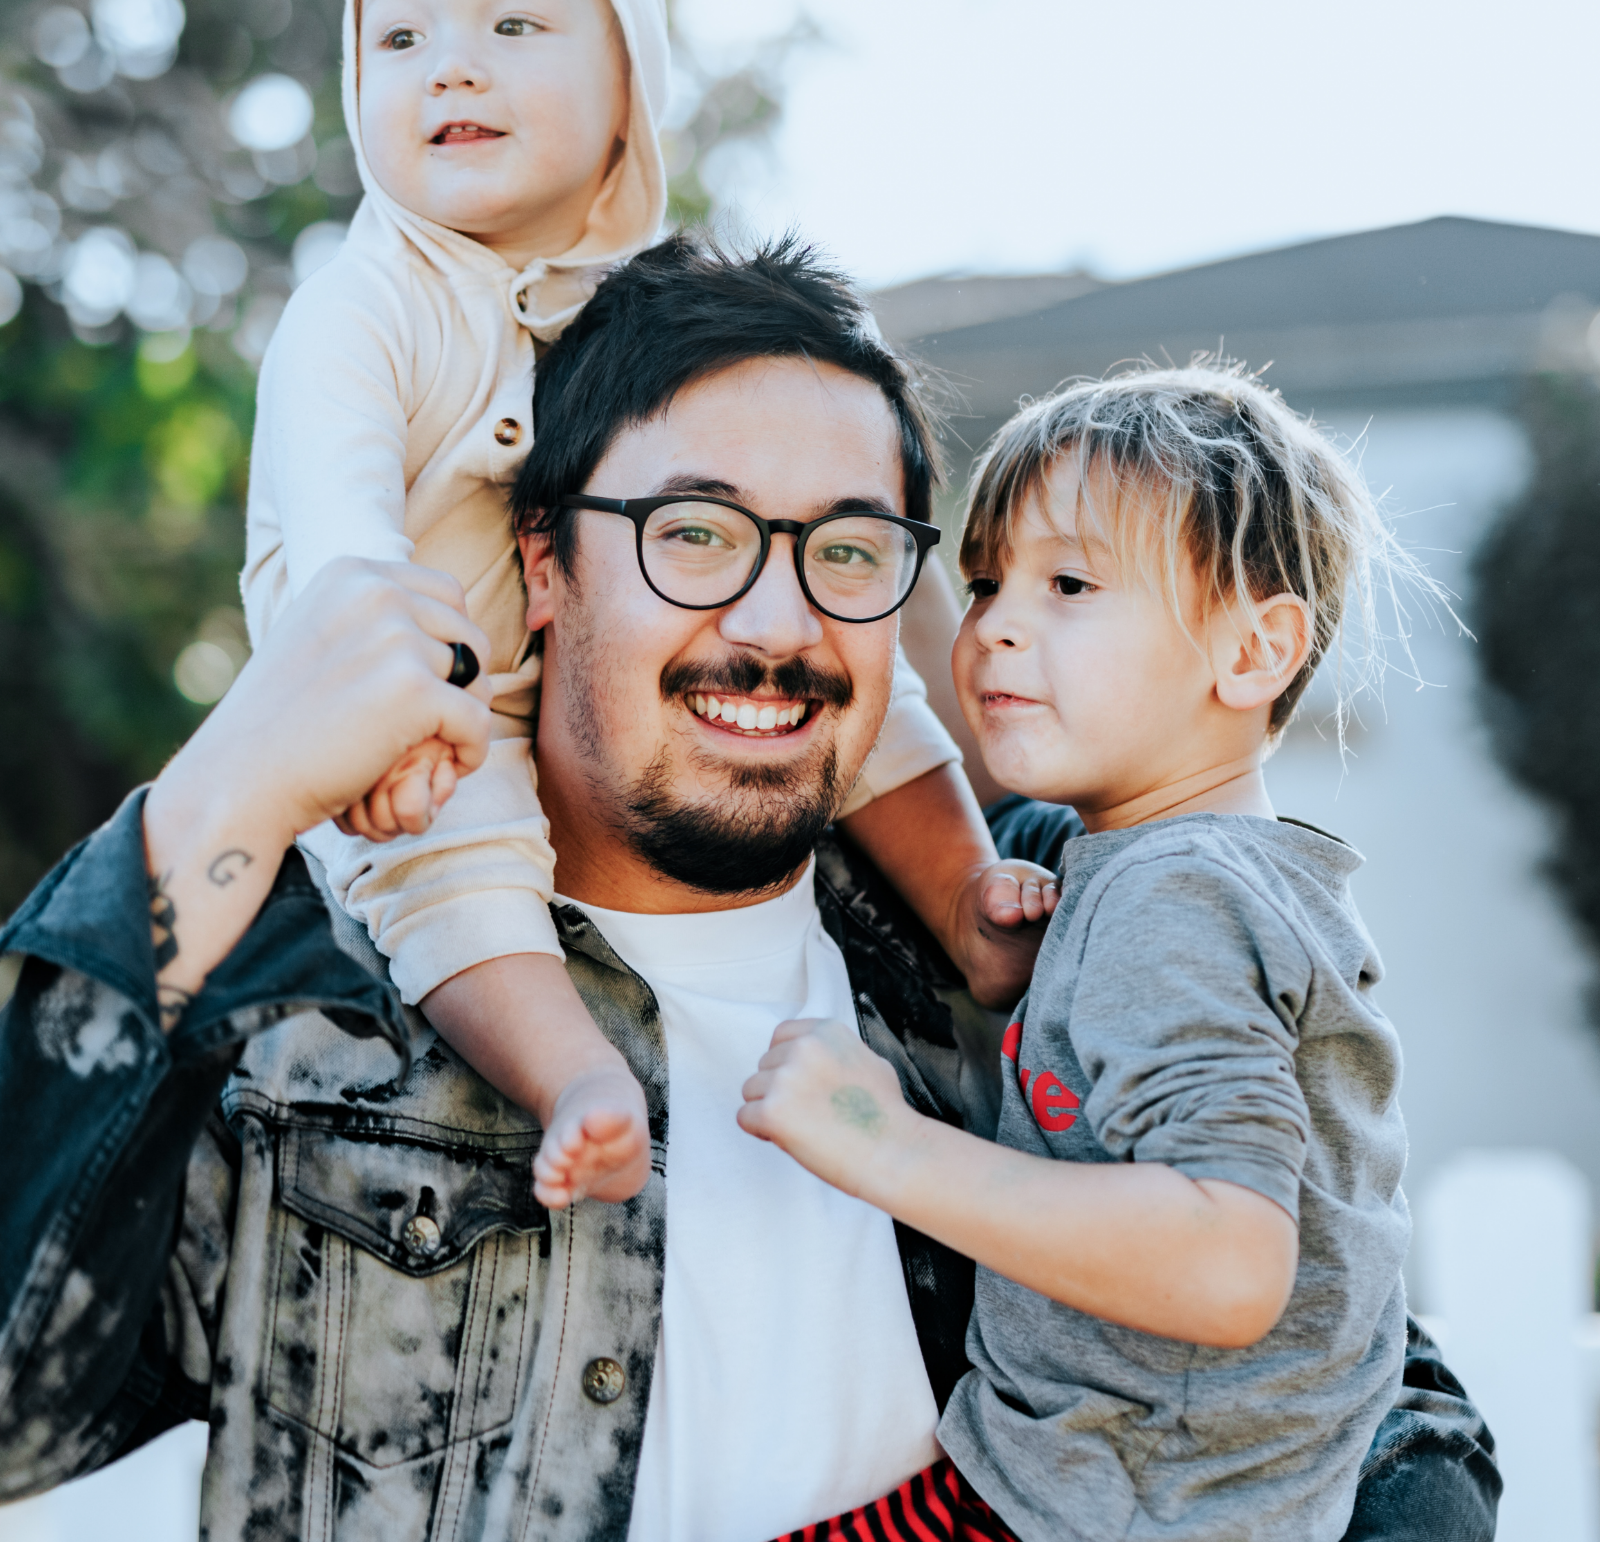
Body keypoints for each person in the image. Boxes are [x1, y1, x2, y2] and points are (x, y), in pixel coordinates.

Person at [0, 246, 1498, 1540]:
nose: (776, 621)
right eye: (695, 536)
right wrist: (227, 789)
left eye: (848, 551)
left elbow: (1363, 1377)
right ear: (542, 566)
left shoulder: (1027, 924)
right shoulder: (302, 992)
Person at [242, 0, 1042, 1212]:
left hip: (543, 688)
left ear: (630, 92)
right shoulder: (366, 304)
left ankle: (970, 901)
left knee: (865, 677)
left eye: (512, 27)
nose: (452, 67)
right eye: (399, 36)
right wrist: (389, 716)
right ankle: (574, 1076)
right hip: (411, 712)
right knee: (455, 871)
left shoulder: (648, 315)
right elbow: (340, 539)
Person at [742, 362, 1441, 1540]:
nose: (997, 623)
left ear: (1255, 651)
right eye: (982, 581)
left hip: (1102, 1503)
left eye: (1068, 582)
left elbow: (1228, 1262)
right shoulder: (1197, 873)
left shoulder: (1171, 896)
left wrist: (879, 1143)